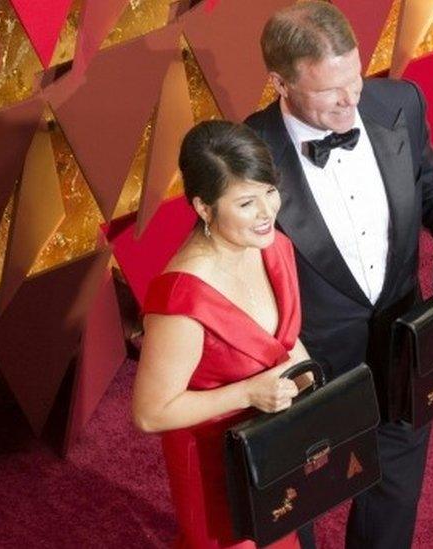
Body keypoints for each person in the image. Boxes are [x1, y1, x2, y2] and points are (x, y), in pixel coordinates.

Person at [244, 3, 433, 549]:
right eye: (330, 90)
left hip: (402, 342)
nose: (350, 100)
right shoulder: (246, 159)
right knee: (294, 510)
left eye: (355, 79)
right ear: (279, 83)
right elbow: (237, 277)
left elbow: (428, 173)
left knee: (396, 492)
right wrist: (283, 362)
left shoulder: (398, 102)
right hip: (306, 367)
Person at [132, 120, 313, 549]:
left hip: (273, 443)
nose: (268, 212)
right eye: (247, 202)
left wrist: (317, 396)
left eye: (270, 191)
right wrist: (250, 394)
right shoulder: (182, 299)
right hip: (216, 463)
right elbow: (150, 414)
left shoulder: (273, 247)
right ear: (204, 208)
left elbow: (281, 346)